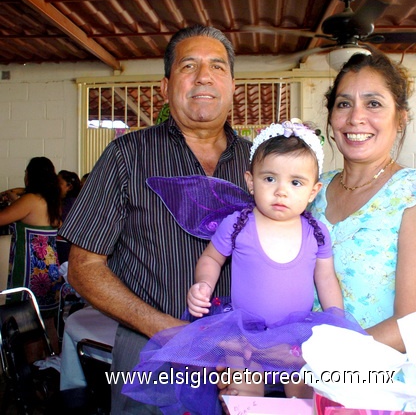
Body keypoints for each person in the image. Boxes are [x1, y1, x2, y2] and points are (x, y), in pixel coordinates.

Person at [58, 25, 252, 414]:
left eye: (217, 66)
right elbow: (84, 268)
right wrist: (165, 328)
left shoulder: (262, 163)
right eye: (189, 66)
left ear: (232, 85)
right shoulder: (126, 156)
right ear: (165, 87)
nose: (203, 76)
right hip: (150, 351)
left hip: (241, 356)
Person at [121, 121, 363, 411]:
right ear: (250, 181)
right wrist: (204, 285)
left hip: (296, 334)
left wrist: (335, 320)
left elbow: (326, 280)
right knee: (243, 399)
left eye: (295, 182)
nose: (281, 191)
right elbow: (212, 258)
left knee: (305, 399)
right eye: (270, 179)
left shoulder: (317, 231)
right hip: (242, 333)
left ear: (313, 191)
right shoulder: (238, 224)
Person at [308, 49, 416, 353]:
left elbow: (415, 324)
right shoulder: (312, 192)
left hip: (377, 384)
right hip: (301, 381)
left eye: (373, 103)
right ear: (332, 118)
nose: (356, 117)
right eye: (344, 103)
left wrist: (319, 358)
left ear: (400, 118)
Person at [0, 156, 62, 355]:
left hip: (30, 269)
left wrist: (14, 201)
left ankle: (34, 370)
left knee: (27, 320)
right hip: (49, 268)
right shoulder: (52, 201)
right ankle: (52, 365)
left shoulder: (30, 199)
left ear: (31, 175)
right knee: (48, 321)